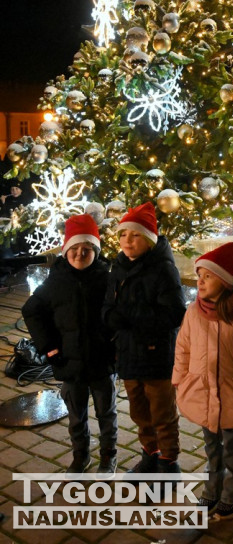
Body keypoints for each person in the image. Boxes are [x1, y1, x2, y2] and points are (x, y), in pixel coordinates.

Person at [172, 241, 233, 521]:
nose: (200, 281)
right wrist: (180, 376)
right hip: (202, 390)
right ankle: (213, 486)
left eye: (208, 276)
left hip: (231, 393)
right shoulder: (193, 313)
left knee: (232, 443)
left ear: (225, 281)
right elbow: (183, 347)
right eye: (199, 276)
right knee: (211, 444)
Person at [22, 214, 118, 478]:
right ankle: (80, 455)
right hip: (69, 361)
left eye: (86, 249)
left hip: (101, 361)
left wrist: (116, 344)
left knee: (106, 412)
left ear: (95, 251)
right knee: (76, 414)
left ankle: (108, 456)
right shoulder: (57, 280)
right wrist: (49, 347)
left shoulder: (106, 278)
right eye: (74, 249)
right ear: (66, 251)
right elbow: (32, 310)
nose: (80, 253)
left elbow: (119, 314)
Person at [103, 201, 186, 479]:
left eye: (135, 234)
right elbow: (109, 303)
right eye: (123, 234)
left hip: (155, 354)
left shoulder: (163, 269)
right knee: (139, 411)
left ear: (149, 239)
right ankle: (149, 453)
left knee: (162, 414)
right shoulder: (119, 266)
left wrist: (129, 317)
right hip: (127, 351)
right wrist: (109, 317)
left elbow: (174, 313)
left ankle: (168, 463)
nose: (128, 240)